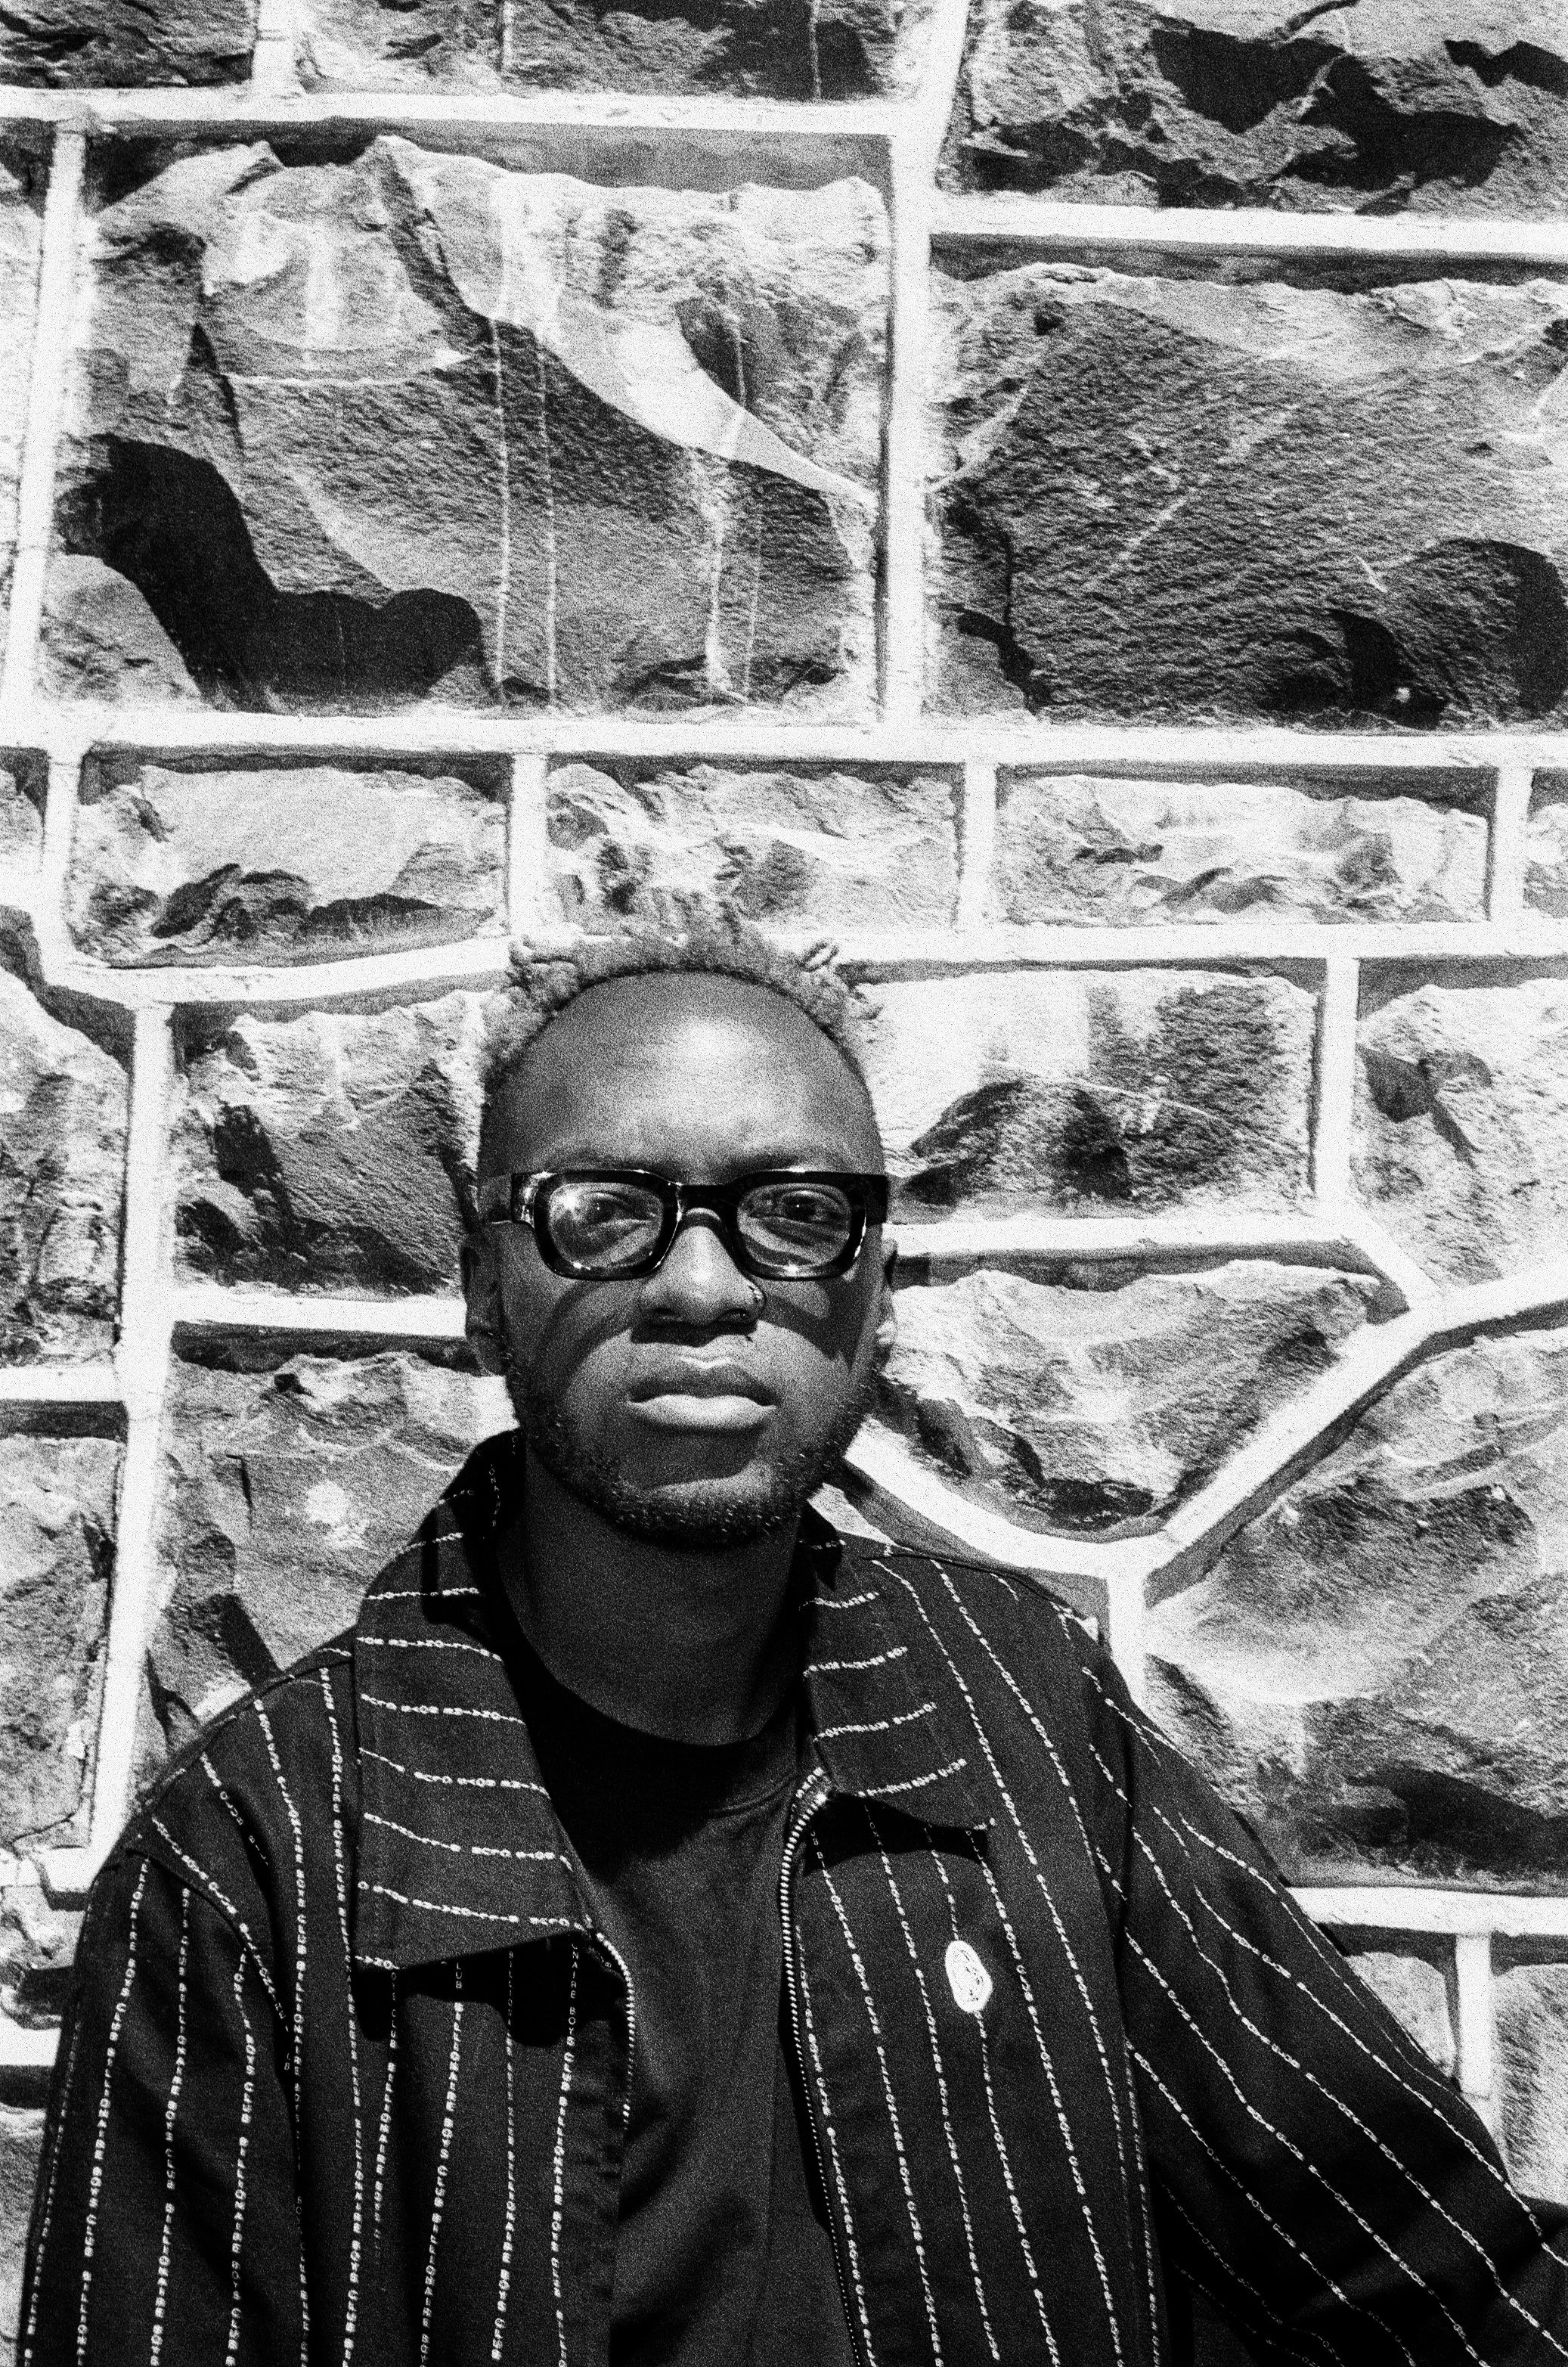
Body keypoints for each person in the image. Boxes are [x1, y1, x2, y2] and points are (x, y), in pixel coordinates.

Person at [20, 913, 1568, 2367]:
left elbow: (1411, 2255)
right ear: (482, 1292)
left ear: (872, 1295)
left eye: (794, 1213)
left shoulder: (1018, 1714)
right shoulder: (258, 1855)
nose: (701, 1285)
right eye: (606, 1212)